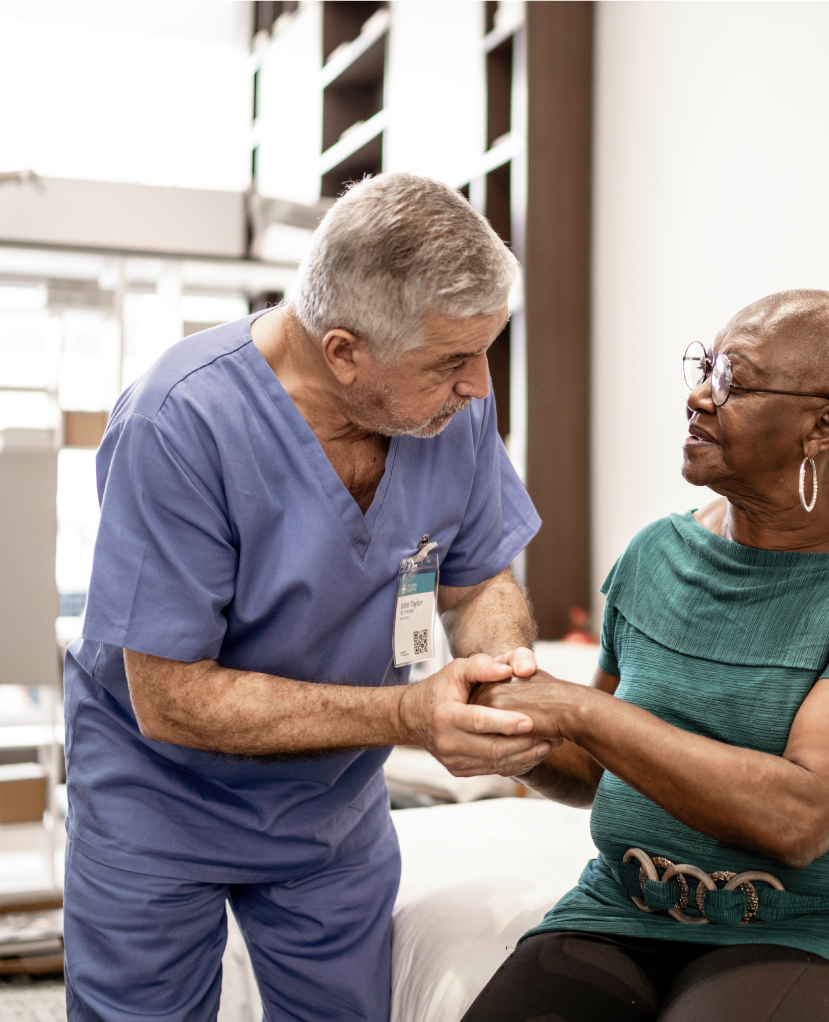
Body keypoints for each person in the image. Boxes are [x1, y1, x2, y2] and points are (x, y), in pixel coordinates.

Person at [62, 173, 553, 1022]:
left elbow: (479, 580)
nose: (479, 385)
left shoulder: (450, 411)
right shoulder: (179, 422)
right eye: (450, 362)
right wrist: (407, 719)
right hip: (160, 796)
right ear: (343, 350)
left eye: (486, 352)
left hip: (331, 805)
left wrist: (501, 673)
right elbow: (170, 697)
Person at [463, 290, 829, 1022]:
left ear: (821, 428)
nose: (699, 395)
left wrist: (574, 705)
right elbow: (598, 766)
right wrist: (504, 731)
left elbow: (800, 818)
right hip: (621, 906)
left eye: (733, 379)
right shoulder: (656, 554)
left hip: (816, 934)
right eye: (704, 366)